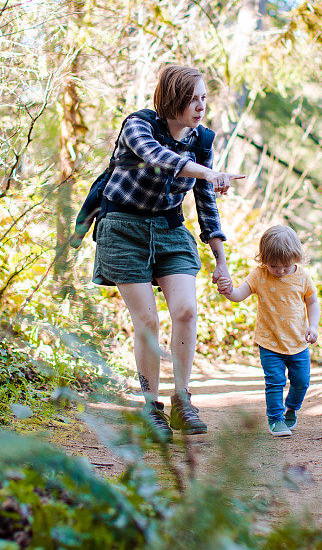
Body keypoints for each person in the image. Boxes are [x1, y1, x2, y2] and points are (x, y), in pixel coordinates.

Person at [93, 64, 243, 441]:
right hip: (122, 228)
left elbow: (206, 204)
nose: (200, 107)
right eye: (192, 99)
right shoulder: (139, 125)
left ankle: (183, 399)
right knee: (146, 320)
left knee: (186, 309)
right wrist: (205, 172)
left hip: (169, 229)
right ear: (172, 98)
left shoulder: (201, 140)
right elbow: (156, 155)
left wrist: (220, 257)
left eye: (204, 98)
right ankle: (149, 407)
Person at [217, 225, 320, 437]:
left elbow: (312, 303)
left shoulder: (302, 277)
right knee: (275, 382)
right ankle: (276, 420)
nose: (280, 271)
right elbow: (238, 295)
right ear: (263, 259)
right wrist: (228, 290)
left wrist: (313, 326)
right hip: (269, 343)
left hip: (298, 342)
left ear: (296, 258)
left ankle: (291, 408)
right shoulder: (259, 276)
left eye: (286, 265)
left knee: (302, 381)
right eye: (274, 266)